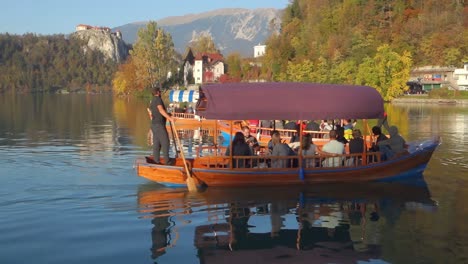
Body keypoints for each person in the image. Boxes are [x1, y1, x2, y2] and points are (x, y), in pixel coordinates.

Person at [147, 87, 175, 165]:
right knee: (165, 142)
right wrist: (169, 118)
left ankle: (156, 161)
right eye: (160, 91)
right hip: (159, 125)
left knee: (157, 143)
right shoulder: (158, 99)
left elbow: (150, 112)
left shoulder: (152, 101)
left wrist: (167, 115)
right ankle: (167, 162)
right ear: (158, 92)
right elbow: (160, 110)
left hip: (154, 125)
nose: (161, 93)